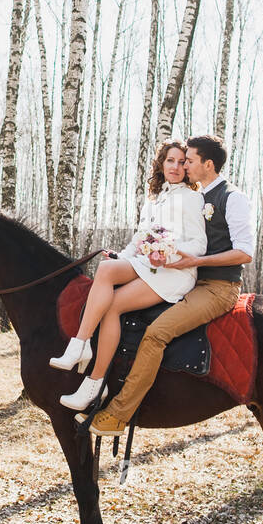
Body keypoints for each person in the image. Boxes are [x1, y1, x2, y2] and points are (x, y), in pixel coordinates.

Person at [82, 134, 254, 436]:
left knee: (156, 335)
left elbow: (245, 253)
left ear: (207, 164)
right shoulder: (196, 194)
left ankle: (119, 415)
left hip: (219, 288)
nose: (184, 164)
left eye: (189, 160)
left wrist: (194, 262)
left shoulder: (232, 198)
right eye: (179, 160)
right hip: (190, 281)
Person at [50, 141, 206, 413]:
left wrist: (169, 254)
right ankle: (95, 383)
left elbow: (199, 245)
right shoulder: (156, 198)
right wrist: (122, 256)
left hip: (174, 273)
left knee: (106, 273)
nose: (176, 167)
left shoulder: (192, 198)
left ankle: (80, 345)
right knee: (110, 302)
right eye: (171, 160)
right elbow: (140, 237)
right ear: (162, 163)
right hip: (148, 264)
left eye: (182, 162)